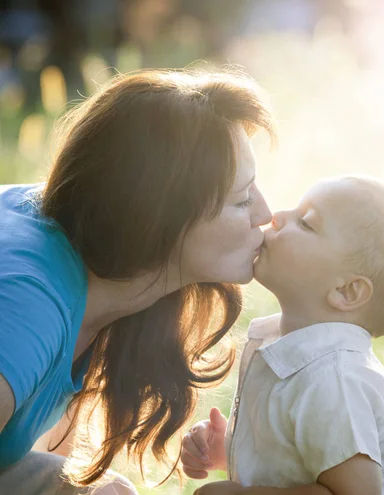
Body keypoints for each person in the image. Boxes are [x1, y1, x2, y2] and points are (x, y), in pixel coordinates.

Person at [0, 69, 277, 494]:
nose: (264, 214)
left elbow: (60, 459)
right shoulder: (27, 305)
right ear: (160, 216)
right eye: (241, 199)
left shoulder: (94, 258)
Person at [183, 176, 384, 495]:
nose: (276, 216)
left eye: (306, 223)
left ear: (347, 291)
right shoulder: (293, 354)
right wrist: (232, 447)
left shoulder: (334, 380)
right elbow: (297, 458)